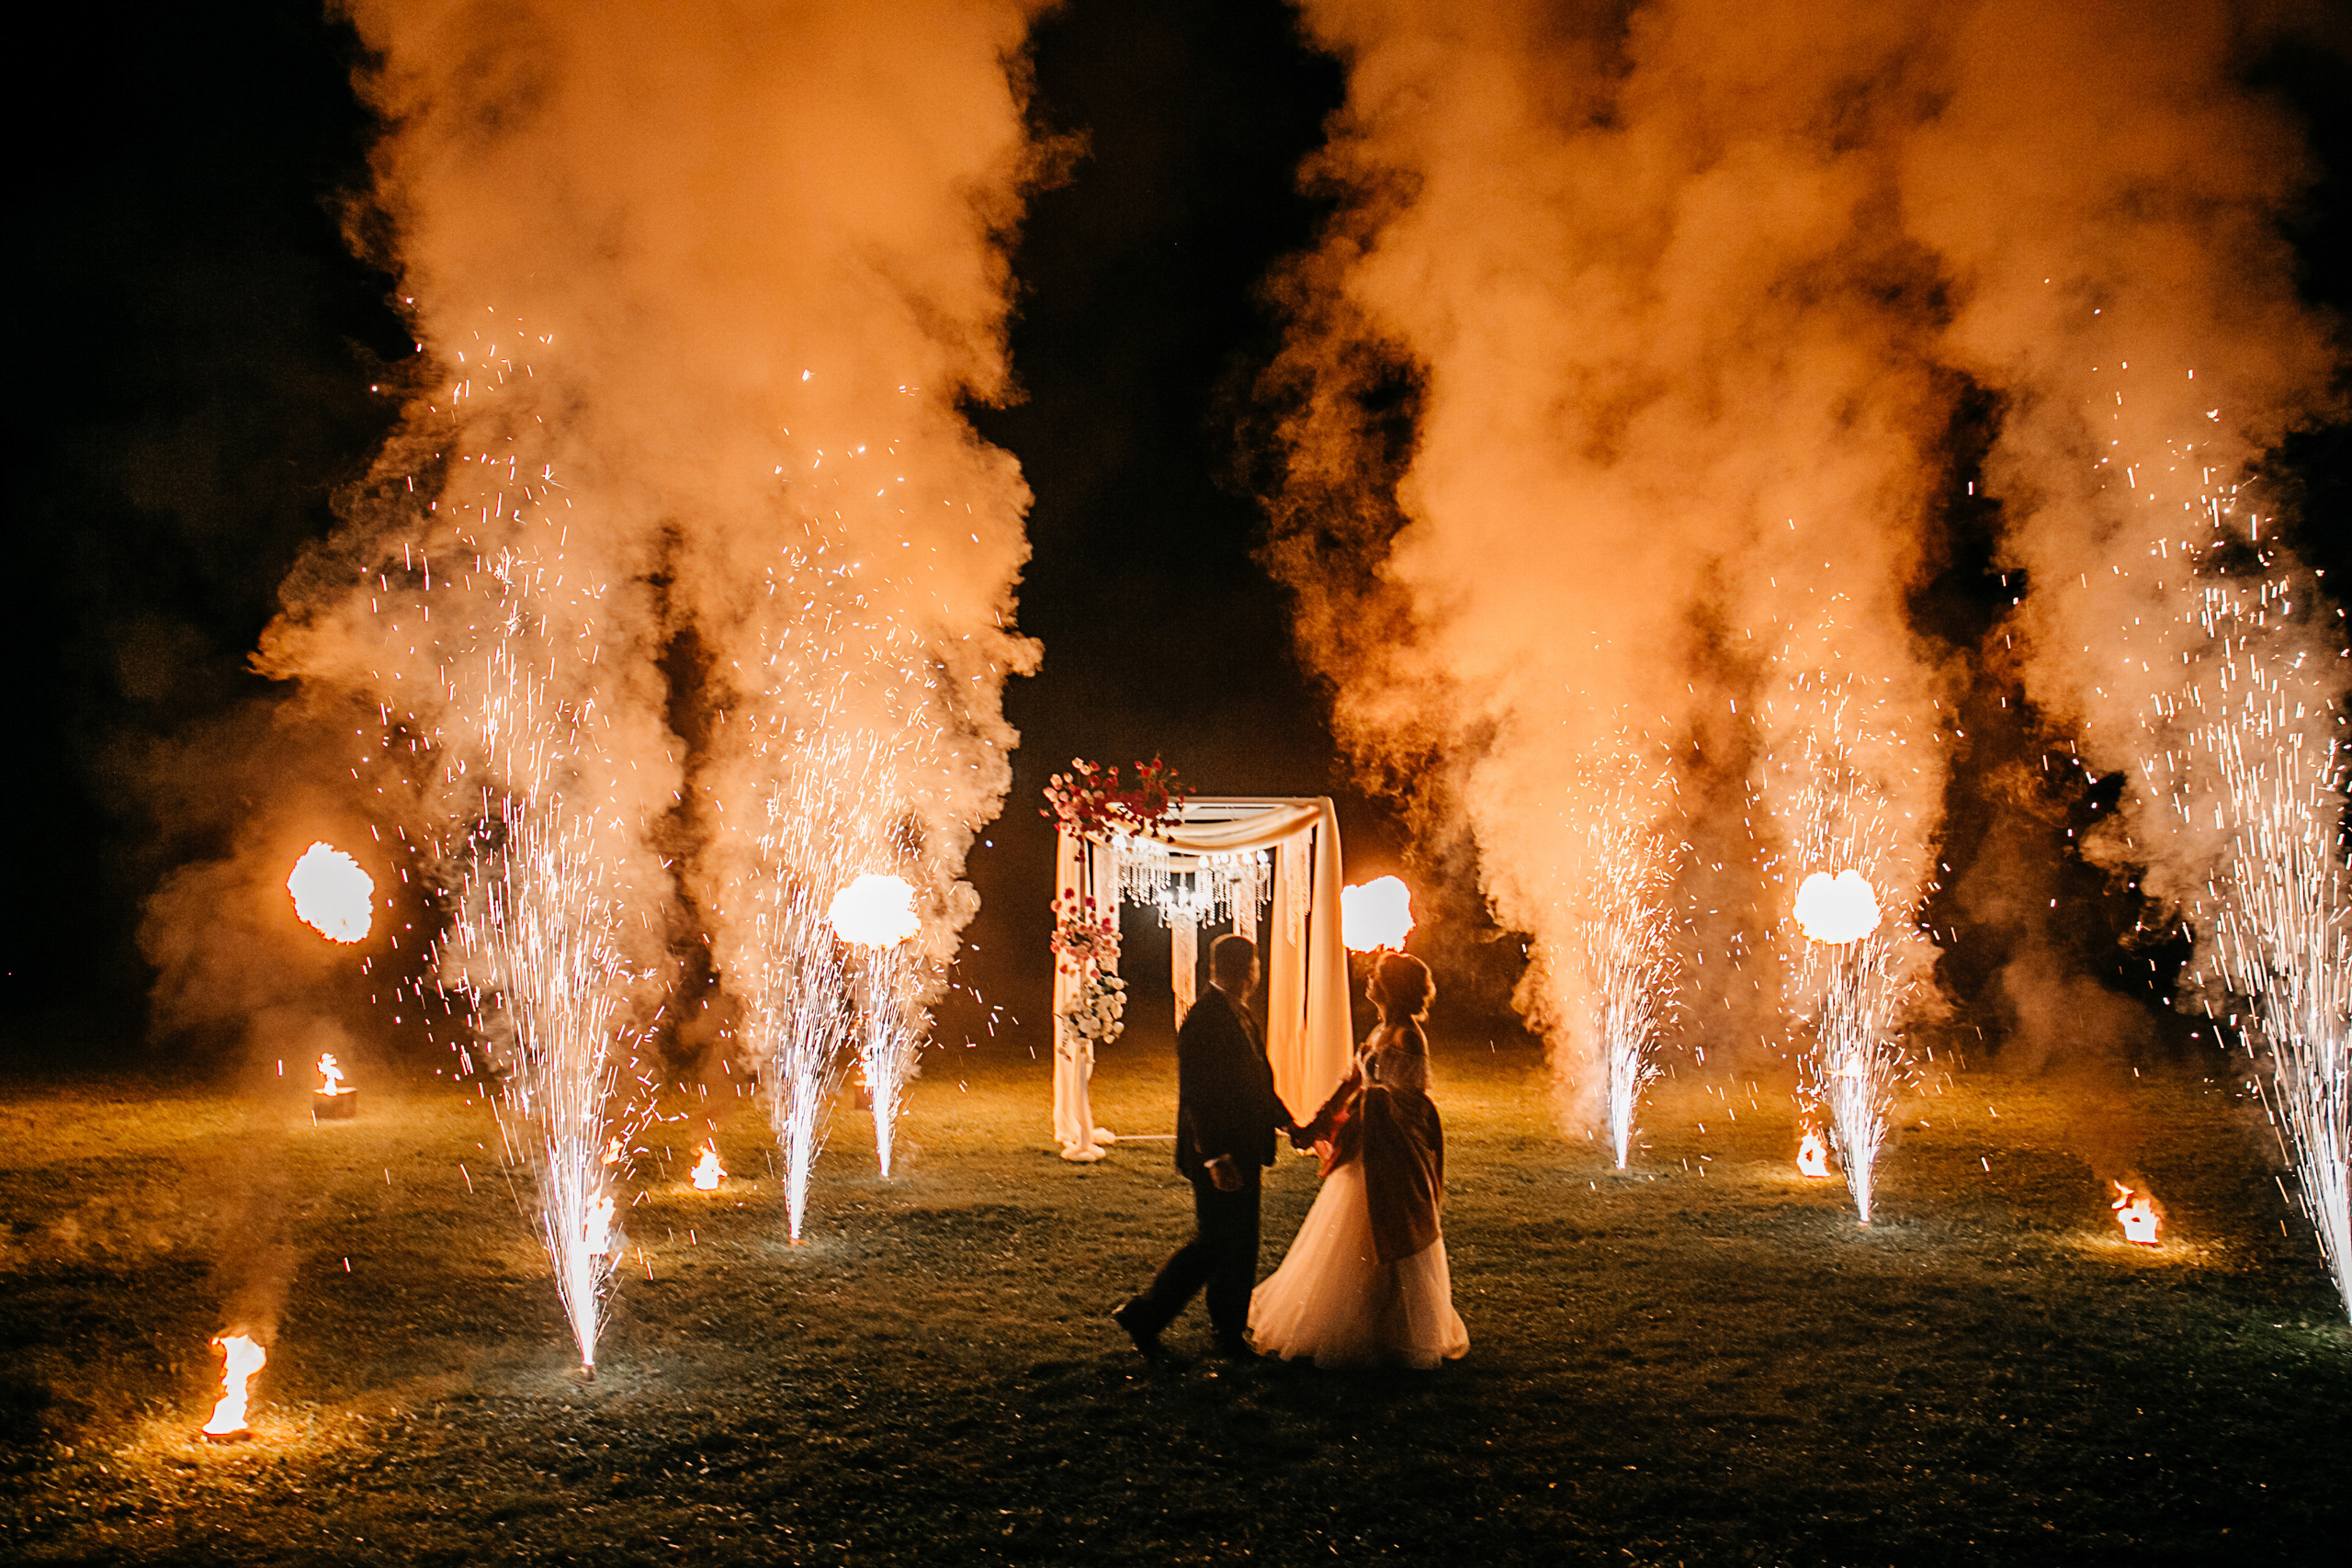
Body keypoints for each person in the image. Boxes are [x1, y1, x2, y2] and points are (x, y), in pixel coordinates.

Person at [1248, 950, 1469, 1370]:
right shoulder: (1380, 1030)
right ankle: (1356, 1322)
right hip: (1366, 1148)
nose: (1369, 979)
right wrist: (1316, 1124)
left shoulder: (1408, 1037)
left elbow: (1410, 1100)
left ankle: (1396, 1330)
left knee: (1388, 1228)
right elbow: (1352, 1081)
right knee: (1351, 1234)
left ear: (1391, 988)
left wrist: (1368, 1105)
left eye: (1377, 976)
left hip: (1393, 1153)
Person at [1113, 933, 1291, 1361]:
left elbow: (1257, 1082)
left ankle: (1227, 1331)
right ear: (1247, 970)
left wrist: (1289, 1123)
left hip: (1244, 1146)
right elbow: (1198, 1094)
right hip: (1220, 1152)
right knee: (1215, 1241)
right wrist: (1215, 1157)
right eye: (1255, 965)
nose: (1258, 973)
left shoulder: (1240, 1014)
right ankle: (1145, 1315)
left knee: (1239, 1243)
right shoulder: (1205, 1018)